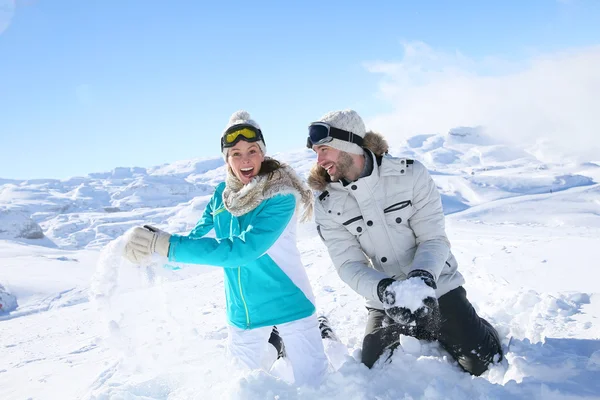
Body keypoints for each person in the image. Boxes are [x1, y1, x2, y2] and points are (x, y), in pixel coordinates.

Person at [123, 110, 328, 386]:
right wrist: (152, 250)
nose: (245, 160)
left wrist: (167, 246)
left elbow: (240, 250)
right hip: (244, 315)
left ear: (263, 153)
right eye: (236, 153)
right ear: (227, 159)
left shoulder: (281, 195)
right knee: (239, 388)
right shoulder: (222, 196)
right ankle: (274, 344)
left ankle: (323, 336)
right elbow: (194, 241)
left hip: (291, 305)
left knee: (319, 389)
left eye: (252, 151)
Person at [305, 109, 503, 376]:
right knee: (374, 373)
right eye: (316, 151)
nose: (319, 160)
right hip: (385, 299)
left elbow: (433, 238)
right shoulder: (327, 204)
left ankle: (477, 326)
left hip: (437, 287)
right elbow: (348, 264)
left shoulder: (410, 175)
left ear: (348, 144)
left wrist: (422, 278)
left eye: (324, 149)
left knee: (482, 363)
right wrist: (385, 290)